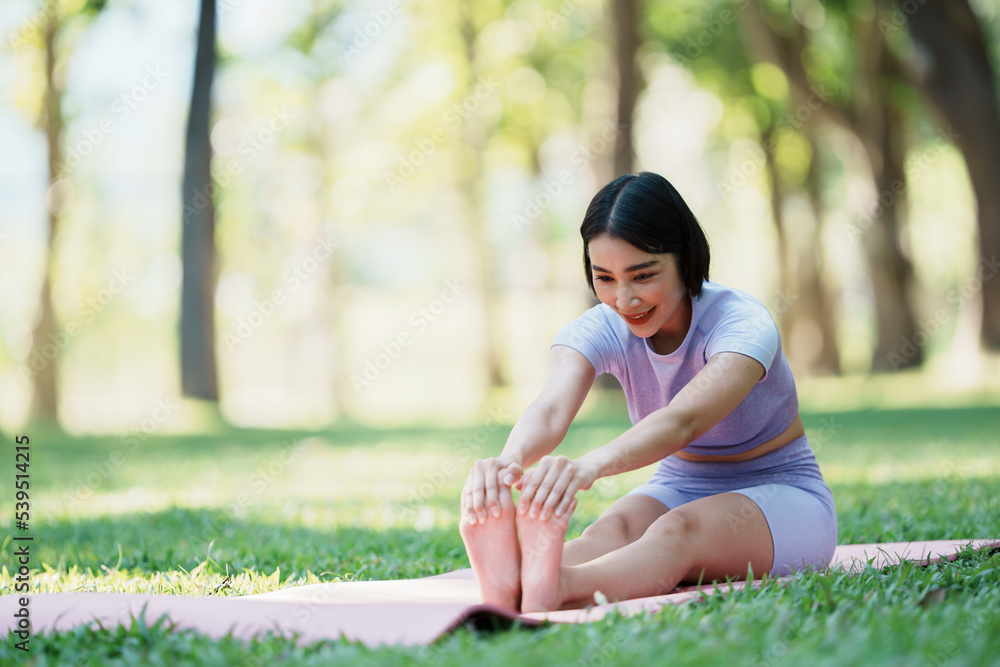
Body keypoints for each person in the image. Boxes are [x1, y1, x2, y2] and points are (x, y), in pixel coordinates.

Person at [459, 171, 837, 613]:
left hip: (782, 495)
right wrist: (507, 463)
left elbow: (683, 420)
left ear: (685, 258)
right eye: (604, 277)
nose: (624, 299)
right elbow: (549, 409)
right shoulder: (601, 327)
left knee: (676, 531)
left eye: (642, 275)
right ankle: (520, 576)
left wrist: (586, 468)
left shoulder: (742, 324)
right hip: (678, 483)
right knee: (610, 530)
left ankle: (560, 587)